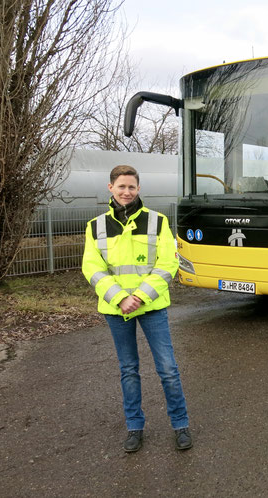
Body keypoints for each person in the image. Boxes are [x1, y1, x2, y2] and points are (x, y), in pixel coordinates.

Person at [82, 165, 192, 452]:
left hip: (151, 306)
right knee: (128, 369)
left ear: (139, 188)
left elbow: (169, 263)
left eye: (131, 187)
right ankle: (134, 427)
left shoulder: (158, 222)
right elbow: (92, 268)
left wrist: (140, 296)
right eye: (121, 186)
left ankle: (180, 424)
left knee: (167, 368)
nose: (126, 192)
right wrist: (119, 297)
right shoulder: (96, 227)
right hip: (117, 309)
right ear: (111, 188)